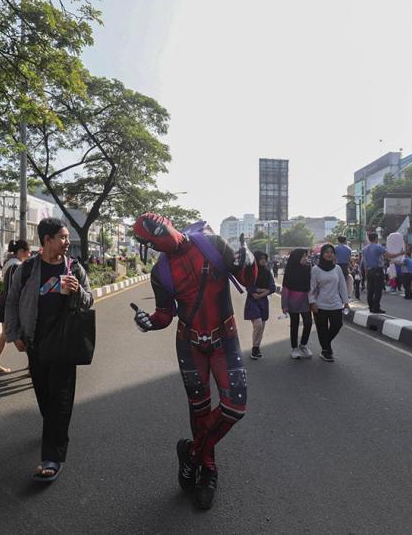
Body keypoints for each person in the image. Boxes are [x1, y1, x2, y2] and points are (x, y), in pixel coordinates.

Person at [130, 213, 256, 510]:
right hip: (189, 343)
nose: (158, 238)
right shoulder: (160, 271)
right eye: (151, 239)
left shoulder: (214, 244)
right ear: (149, 245)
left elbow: (247, 280)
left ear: (167, 222)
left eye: (157, 228)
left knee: (234, 407)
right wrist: (148, 321)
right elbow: (164, 314)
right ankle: (208, 469)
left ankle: (192, 453)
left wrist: (248, 259)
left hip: (225, 338)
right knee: (199, 410)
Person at [5, 218, 93, 484]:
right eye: (63, 237)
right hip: (35, 343)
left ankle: (52, 457)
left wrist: (78, 292)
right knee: (44, 395)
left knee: (61, 399)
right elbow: (12, 301)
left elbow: (89, 300)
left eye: (66, 237)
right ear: (47, 240)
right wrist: (14, 334)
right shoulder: (27, 269)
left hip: (65, 343)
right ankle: (53, 429)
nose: (67, 242)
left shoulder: (74, 268)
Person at [0, 239, 31, 377]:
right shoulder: (16, 266)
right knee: (24, 336)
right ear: (21, 251)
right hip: (11, 306)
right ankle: (33, 367)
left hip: (6, 304)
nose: (29, 255)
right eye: (28, 252)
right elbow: (13, 290)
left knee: (5, 335)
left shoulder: (9, 263)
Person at [309, 244, 350, 362]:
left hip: (336, 304)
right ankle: (326, 350)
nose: (329, 254)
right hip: (320, 304)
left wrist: (346, 301)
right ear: (322, 254)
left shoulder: (337, 269)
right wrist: (312, 302)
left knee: (337, 324)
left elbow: (342, 285)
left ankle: (325, 345)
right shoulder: (315, 269)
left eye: (331, 252)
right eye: (326, 252)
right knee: (322, 329)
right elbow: (312, 287)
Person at [361, 233, 404, 314]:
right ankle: (376, 307)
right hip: (377, 270)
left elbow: (365, 263)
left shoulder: (364, 249)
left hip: (369, 271)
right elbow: (389, 256)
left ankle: (371, 307)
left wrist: (366, 273)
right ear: (376, 238)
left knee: (370, 290)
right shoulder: (378, 247)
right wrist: (400, 253)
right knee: (378, 290)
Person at [282, 249, 314, 359]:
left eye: (306, 256)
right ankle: (294, 348)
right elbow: (285, 288)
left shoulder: (308, 269)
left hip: (305, 300)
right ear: (297, 258)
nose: (306, 258)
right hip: (293, 302)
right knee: (294, 324)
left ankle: (303, 345)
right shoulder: (289, 271)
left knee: (308, 323)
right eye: (303, 256)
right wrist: (284, 305)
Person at [245, 251, 276, 359]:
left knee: (261, 327)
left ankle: (256, 348)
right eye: (261, 258)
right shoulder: (251, 272)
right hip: (252, 301)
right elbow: (249, 287)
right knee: (258, 324)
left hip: (263, 301)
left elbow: (273, 288)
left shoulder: (268, 272)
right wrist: (262, 290)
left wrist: (260, 294)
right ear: (256, 259)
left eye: (264, 259)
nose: (263, 261)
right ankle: (255, 348)